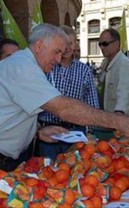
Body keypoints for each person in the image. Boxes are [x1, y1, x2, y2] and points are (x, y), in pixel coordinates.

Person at [0, 23, 129, 200]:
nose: (58, 59)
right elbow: (63, 108)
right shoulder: (22, 67)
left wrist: (37, 132)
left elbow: (12, 112)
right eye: (56, 52)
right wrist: (118, 121)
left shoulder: (28, 66)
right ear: (39, 46)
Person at [37, 25, 99, 159]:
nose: (68, 47)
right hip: (48, 133)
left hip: (75, 132)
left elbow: (92, 102)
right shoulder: (46, 67)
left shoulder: (84, 70)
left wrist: (91, 131)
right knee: (47, 172)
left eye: (71, 43)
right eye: (64, 44)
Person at [97, 28, 129, 115]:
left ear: (117, 43)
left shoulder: (123, 63)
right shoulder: (105, 63)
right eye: (100, 44)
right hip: (105, 118)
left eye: (105, 44)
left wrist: (119, 114)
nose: (102, 47)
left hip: (117, 122)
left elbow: (125, 93)